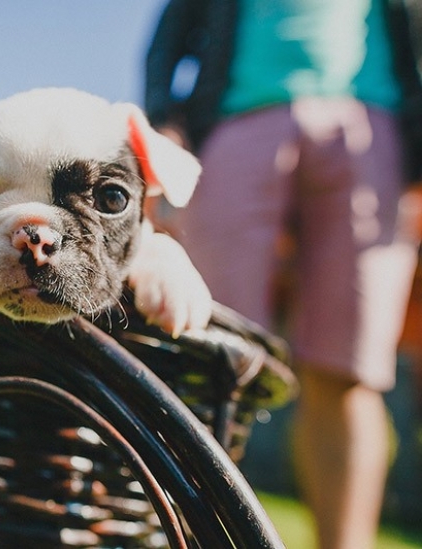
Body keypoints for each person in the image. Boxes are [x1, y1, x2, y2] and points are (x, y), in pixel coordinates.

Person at [144, 1, 422, 548]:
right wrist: (163, 115)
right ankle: (190, 538)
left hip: (371, 127)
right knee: (207, 355)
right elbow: (175, 26)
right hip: (234, 120)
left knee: (348, 371)